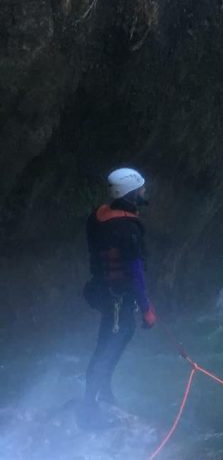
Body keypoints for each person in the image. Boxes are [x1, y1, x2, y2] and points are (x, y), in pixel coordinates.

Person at [79, 168, 156, 429]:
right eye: (141, 189)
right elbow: (135, 270)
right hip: (116, 297)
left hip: (104, 291)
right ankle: (89, 406)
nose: (144, 192)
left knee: (119, 336)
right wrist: (146, 307)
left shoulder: (98, 217)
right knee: (107, 346)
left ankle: (104, 390)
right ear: (130, 194)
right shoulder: (127, 228)